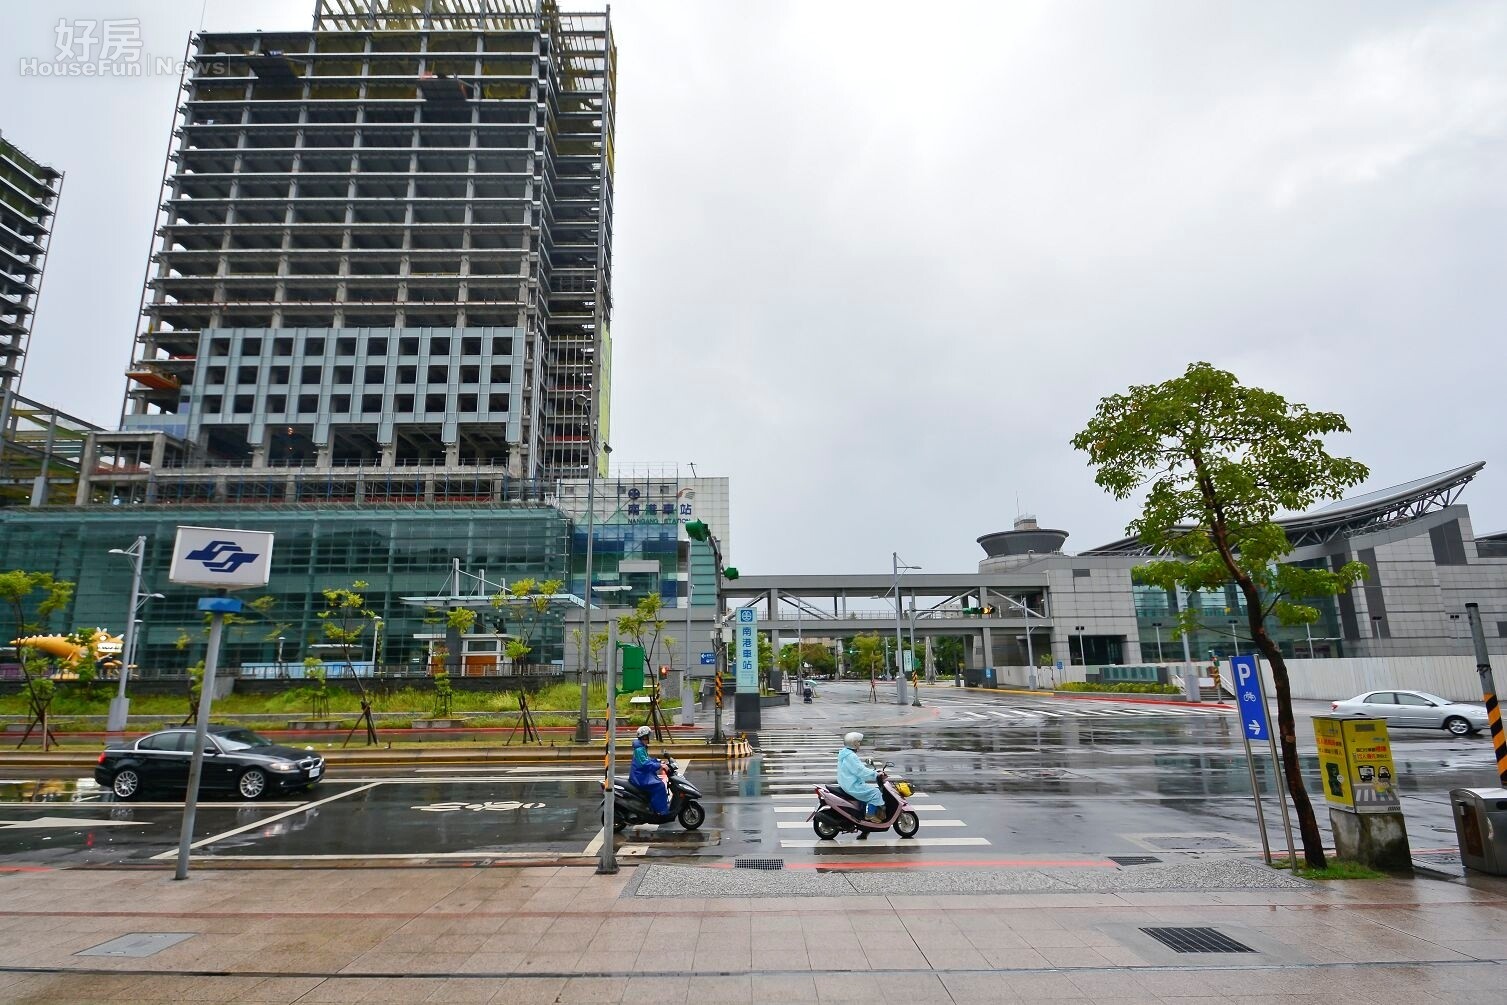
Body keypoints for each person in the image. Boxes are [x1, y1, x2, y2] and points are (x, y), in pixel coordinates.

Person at [837, 731, 884, 822]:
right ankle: (870, 815)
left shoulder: (845, 754)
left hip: (847, 783)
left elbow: (859, 769)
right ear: (853, 743)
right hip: (852, 785)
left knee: (868, 793)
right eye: (858, 742)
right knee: (875, 792)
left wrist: (874, 772)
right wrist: (875, 774)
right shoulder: (851, 756)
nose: (859, 744)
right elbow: (860, 771)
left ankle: (863, 815)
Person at [629, 725, 669, 815]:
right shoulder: (639, 749)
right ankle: (661, 812)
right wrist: (659, 765)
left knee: (658, 782)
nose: (649, 738)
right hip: (640, 777)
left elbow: (647, 760)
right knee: (659, 786)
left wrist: (658, 761)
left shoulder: (641, 747)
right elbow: (645, 764)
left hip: (642, 774)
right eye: (648, 736)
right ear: (644, 736)